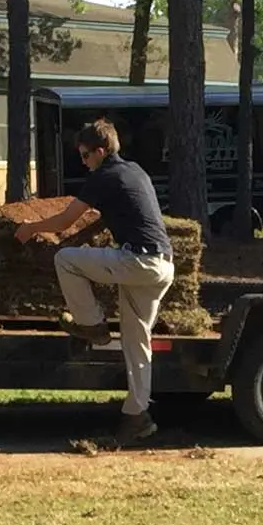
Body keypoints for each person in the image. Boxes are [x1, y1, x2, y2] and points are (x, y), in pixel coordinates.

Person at [13, 119, 173, 446]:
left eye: (86, 155)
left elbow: (65, 218)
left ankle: (93, 326)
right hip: (162, 266)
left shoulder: (105, 175)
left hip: (138, 261)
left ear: (101, 151)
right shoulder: (133, 172)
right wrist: (78, 237)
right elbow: (107, 218)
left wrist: (31, 228)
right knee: (136, 342)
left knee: (66, 261)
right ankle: (137, 416)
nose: (83, 162)